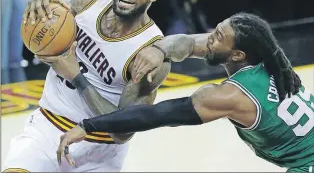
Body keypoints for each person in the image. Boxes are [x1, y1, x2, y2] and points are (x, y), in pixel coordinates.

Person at [52, 13, 313, 172]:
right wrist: (160, 50)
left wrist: (88, 125)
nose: (210, 37)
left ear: (237, 55)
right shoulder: (268, 59)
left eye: (219, 36)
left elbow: (155, 115)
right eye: (216, 29)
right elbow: (188, 43)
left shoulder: (230, 97)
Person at [3, 0, 171, 172]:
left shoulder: (150, 54)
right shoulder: (89, 0)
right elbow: (49, 21)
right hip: (47, 128)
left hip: (100, 150)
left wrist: (76, 76)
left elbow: (123, 131)